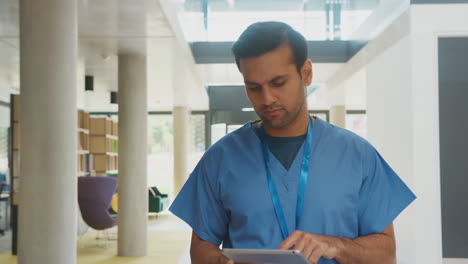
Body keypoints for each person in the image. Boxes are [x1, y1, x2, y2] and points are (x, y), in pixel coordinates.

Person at [170, 21, 416, 264]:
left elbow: (386, 254)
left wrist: (336, 246)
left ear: (306, 73)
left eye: (278, 83)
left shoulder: (358, 155)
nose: (267, 99)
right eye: (254, 87)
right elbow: (201, 247)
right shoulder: (221, 159)